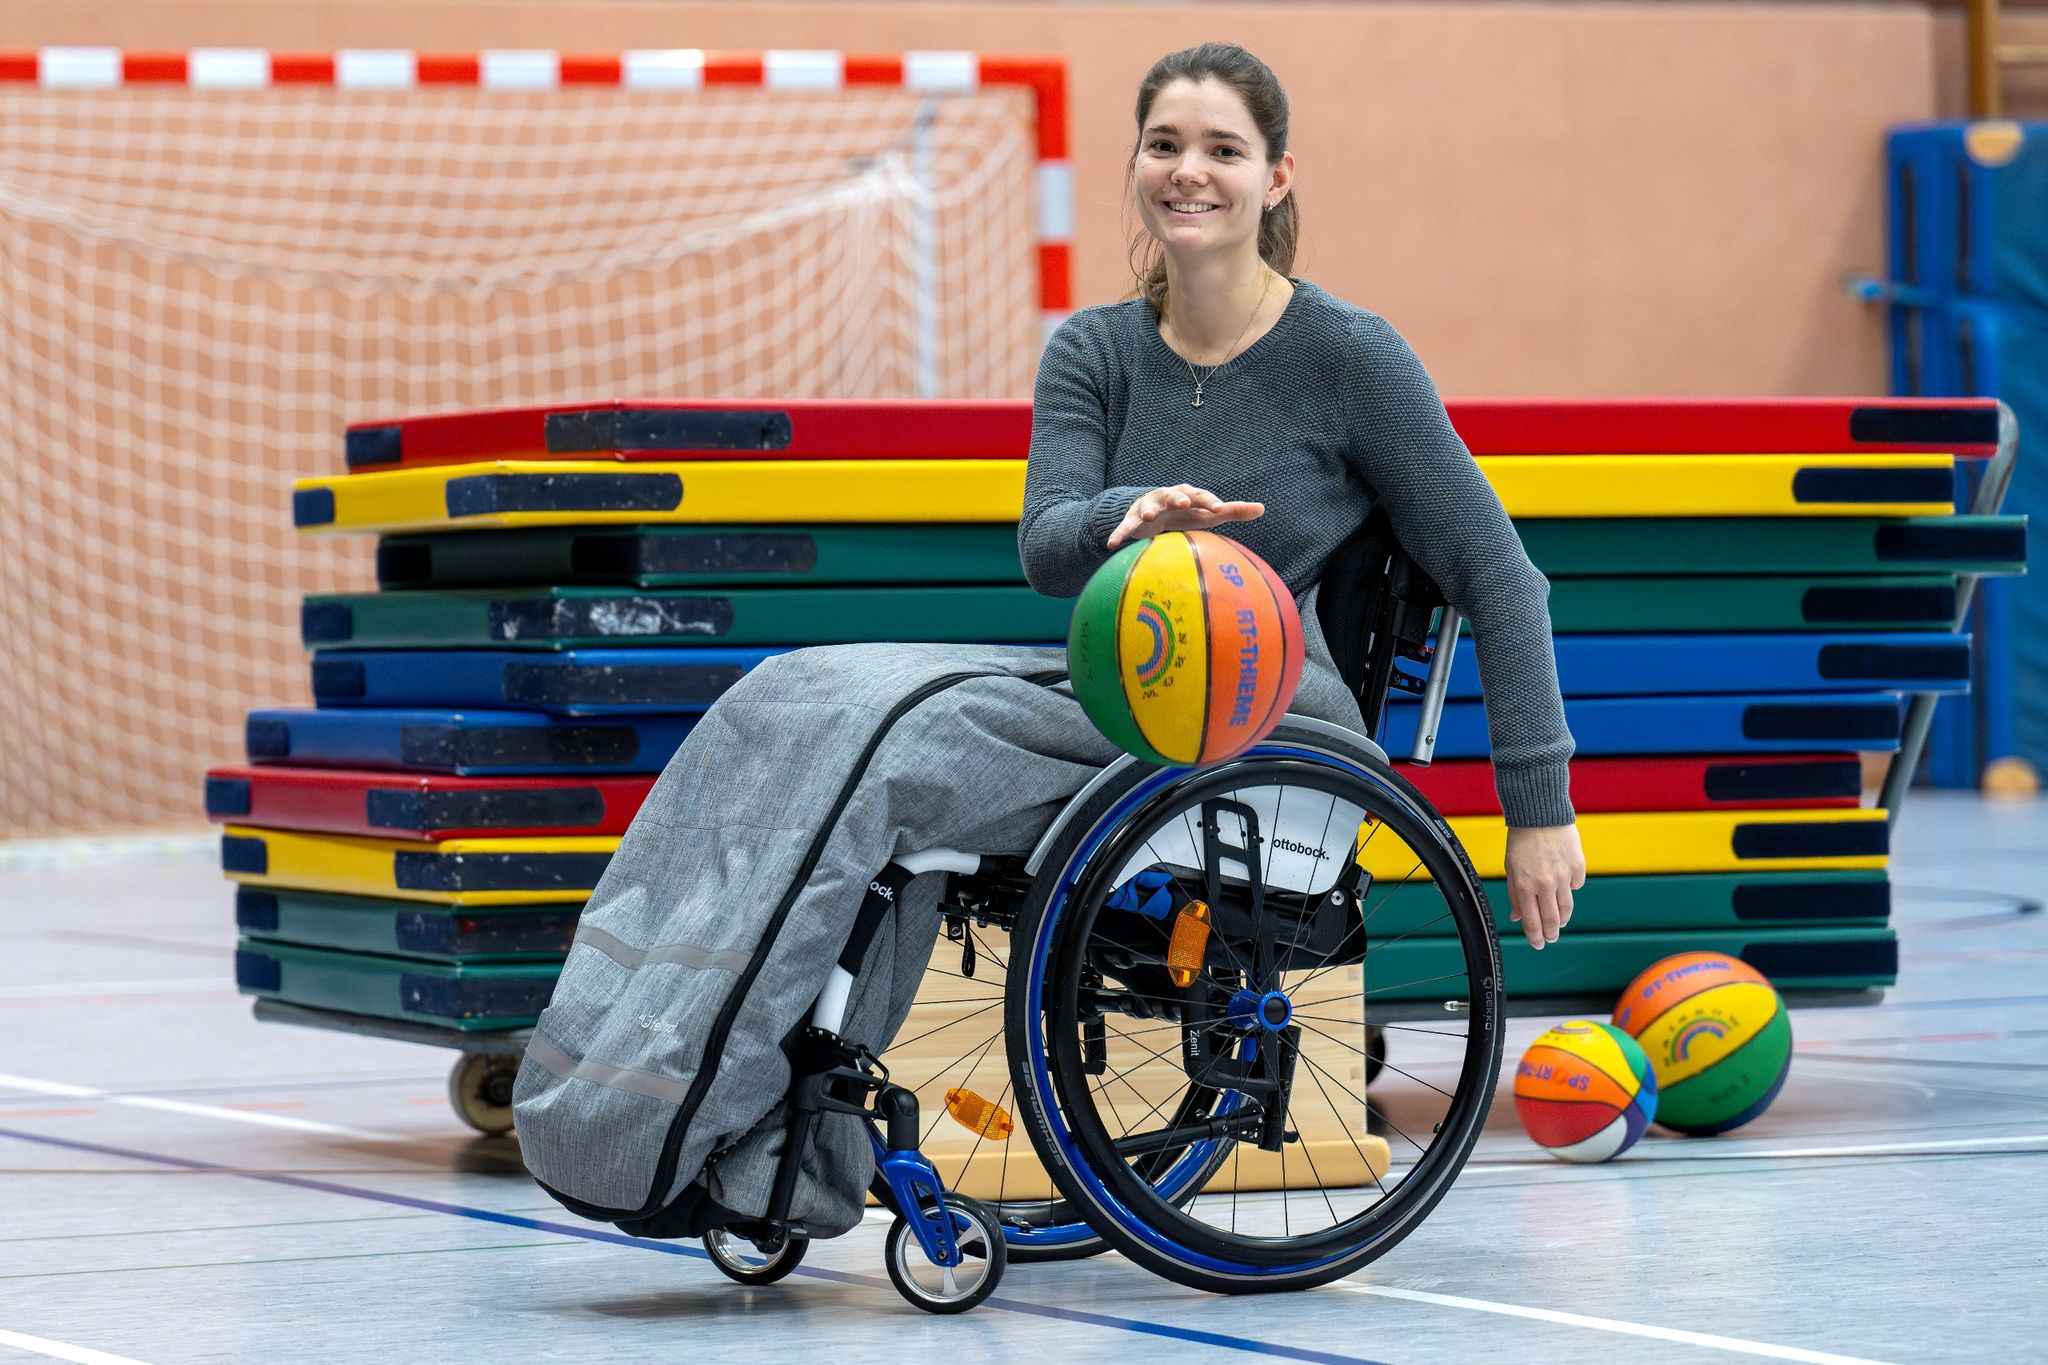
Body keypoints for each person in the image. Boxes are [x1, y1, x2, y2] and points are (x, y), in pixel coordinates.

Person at [1022, 42, 1586, 951]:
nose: (1188, 172)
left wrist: (1539, 811)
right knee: (873, 719)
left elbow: (1499, 574)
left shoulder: (1350, 357)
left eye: (1223, 149)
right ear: (1134, 165)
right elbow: (1047, 550)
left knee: (919, 754)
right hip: (1121, 702)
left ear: (1277, 177)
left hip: (1273, 717)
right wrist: (1122, 516)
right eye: (1162, 145)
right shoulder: (1091, 352)